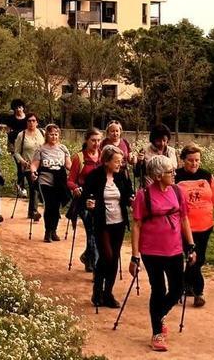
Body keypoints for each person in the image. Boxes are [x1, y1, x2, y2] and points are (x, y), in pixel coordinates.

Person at [129, 155, 197, 352]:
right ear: (158, 175)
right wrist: (135, 256)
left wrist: (191, 245)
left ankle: (158, 315)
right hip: (152, 251)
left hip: (175, 249)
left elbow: (184, 220)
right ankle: (157, 332)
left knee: (177, 289)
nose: (174, 174)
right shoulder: (144, 195)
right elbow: (137, 225)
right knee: (158, 290)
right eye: (170, 172)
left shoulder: (177, 191)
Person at [174, 143, 214, 307]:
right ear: (183, 160)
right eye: (190, 160)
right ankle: (198, 291)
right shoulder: (176, 176)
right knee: (192, 258)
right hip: (185, 226)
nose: (194, 163)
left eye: (197, 160)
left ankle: (184, 284)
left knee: (199, 258)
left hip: (205, 225)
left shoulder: (207, 176)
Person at [83, 144, 133, 307]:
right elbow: (85, 196)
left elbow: (127, 195)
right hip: (101, 222)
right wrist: (88, 203)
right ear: (106, 162)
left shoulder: (121, 176)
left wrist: (132, 199)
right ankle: (97, 291)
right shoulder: (94, 176)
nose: (120, 164)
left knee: (114, 258)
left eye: (121, 161)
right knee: (107, 256)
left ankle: (108, 293)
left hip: (118, 222)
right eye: (117, 161)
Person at [68, 128, 103, 273]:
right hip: (83, 199)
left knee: (97, 230)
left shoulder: (103, 157)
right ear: (86, 140)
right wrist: (75, 188)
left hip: (100, 199)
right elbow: (70, 181)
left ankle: (88, 256)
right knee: (91, 229)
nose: (96, 143)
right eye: (93, 140)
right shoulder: (78, 158)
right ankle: (94, 264)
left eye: (98, 140)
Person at [29, 124, 72, 243]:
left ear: (59, 135)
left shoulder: (63, 148)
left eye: (56, 134)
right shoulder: (41, 149)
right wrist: (33, 172)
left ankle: (54, 230)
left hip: (60, 181)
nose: (53, 136)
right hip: (45, 181)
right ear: (46, 135)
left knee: (56, 207)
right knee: (49, 205)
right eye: (51, 134)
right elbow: (35, 164)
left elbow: (69, 165)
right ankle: (47, 231)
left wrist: (77, 173)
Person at [13, 113, 45, 220]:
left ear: (37, 122)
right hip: (27, 166)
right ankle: (34, 211)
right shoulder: (21, 135)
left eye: (33, 120)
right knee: (34, 186)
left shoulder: (42, 133)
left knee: (37, 187)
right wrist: (22, 161)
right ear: (26, 122)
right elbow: (16, 152)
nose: (31, 123)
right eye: (29, 121)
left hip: (41, 165)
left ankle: (32, 211)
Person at [4, 99, 29, 196]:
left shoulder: (27, 119)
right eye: (16, 108)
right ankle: (21, 186)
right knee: (20, 165)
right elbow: (8, 131)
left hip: (26, 144)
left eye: (20, 107)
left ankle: (24, 185)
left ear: (23, 108)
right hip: (14, 144)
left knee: (26, 166)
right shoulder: (11, 119)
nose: (18, 109)